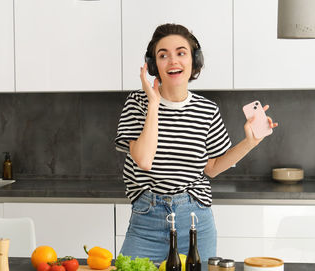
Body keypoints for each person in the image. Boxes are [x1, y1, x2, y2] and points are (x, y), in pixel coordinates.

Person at [114, 23, 278, 262]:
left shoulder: (207, 110)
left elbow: (211, 168)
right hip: (146, 220)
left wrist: (250, 143)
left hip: (194, 220)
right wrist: (153, 103)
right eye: (163, 55)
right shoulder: (138, 103)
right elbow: (144, 160)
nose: (173, 61)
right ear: (152, 65)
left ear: (194, 61)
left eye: (181, 53)